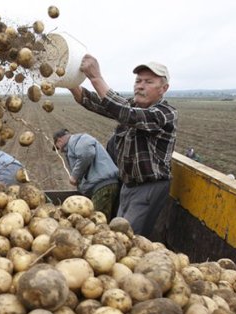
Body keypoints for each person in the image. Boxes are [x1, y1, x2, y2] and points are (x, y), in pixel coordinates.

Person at [68, 54, 178, 237]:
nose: (140, 86)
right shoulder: (132, 106)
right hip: (127, 185)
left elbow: (127, 114)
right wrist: (69, 81)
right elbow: (98, 103)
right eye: (138, 81)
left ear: (164, 88)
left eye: (148, 82)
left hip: (148, 187)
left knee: (128, 238)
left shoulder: (165, 113)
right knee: (118, 234)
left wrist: (96, 78)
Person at [53, 128, 120, 219]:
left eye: (57, 147)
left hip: (103, 187)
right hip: (104, 186)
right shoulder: (74, 144)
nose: (60, 150)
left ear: (59, 140)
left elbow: (87, 154)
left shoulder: (79, 139)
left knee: (97, 222)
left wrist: (74, 176)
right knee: (105, 219)